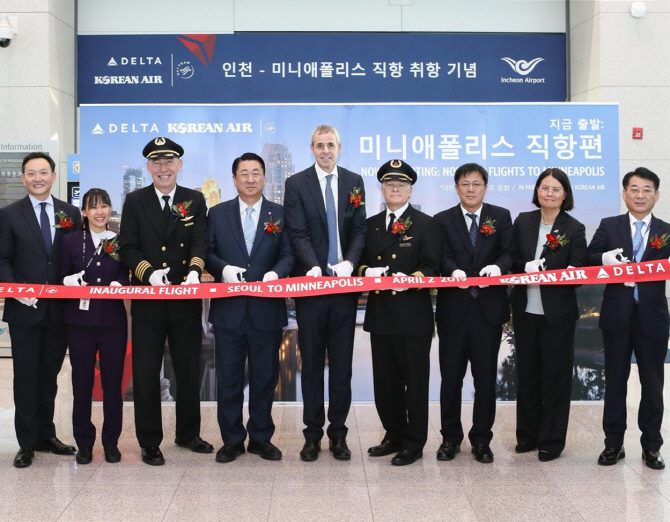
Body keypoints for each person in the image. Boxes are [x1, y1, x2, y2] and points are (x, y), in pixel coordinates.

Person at [119, 137, 213, 466]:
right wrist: (148, 274)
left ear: (179, 165)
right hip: (148, 303)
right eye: (157, 163)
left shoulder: (194, 199)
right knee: (146, 375)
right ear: (148, 167)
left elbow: (201, 241)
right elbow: (127, 247)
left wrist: (194, 271)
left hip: (185, 301)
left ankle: (188, 433)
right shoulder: (134, 201)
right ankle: (149, 441)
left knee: (188, 370)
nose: (163, 168)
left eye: (169, 161)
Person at [283, 124, 366, 461]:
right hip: (312, 288)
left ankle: (339, 435)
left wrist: (351, 262)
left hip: (344, 288)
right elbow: (298, 231)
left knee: (342, 367)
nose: (326, 151)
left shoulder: (353, 182)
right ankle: (313, 434)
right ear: (312, 149)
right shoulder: (296, 183)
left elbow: (359, 228)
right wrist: (313, 265)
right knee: (312, 364)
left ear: (339, 147)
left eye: (330, 145)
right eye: (320, 145)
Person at [206, 152, 294, 463]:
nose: (250, 179)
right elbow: (208, 251)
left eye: (256, 173)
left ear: (264, 178)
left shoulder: (279, 214)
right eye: (244, 173)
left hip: (265, 310)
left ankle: (260, 438)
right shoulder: (217, 214)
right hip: (228, 310)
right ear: (234, 179)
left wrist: (277, 273)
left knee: (264, 378)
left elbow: (289, 254)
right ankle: (231, 440)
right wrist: (222, 269)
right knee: (228, 379)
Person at [0, 152, 81, 468]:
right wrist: (17, 291)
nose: (38, 177)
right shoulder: (8, 215)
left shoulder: (70, 213)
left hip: (60, 310)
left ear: (53, 176)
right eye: (31, 173)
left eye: (43, 172)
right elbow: (2, 259)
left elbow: (74, 256)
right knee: (26, 376)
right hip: (24, 310)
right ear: (23, 178)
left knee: (50, 375)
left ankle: (46, 435)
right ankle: (26, 442)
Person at [359, 159, 440, 466]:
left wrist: (414, 279)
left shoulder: (425, 223)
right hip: (381, 315)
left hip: (413, 315)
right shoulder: (371, 224)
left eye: (401, 185)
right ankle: (393, 434)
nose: (395, 189)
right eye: (390, 185)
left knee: (415, 383)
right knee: (386, 383)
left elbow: (432, 266)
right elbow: (360, 263)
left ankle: (414, 442)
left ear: (410, 190)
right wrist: (370, 271)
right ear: (382, 189)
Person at [588, 167, 670, 470]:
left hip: (653, 317)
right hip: (616, 314)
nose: (640, 195)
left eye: (646, 189)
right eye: (634, 189)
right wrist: (604, 259)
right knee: (615, 383)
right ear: (624, 194)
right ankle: (613, 444)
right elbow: (589, 256)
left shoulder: (666, 230)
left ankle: (651, 446)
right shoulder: (610, 225)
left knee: (652, 384)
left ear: (656, 195)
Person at [434, 163, 513, 464]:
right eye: (465, 184)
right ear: (456, 187)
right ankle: (450, 438)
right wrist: (450, 268)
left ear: (485, 187)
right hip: (453, 311)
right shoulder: (442, 220)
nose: (470, 189)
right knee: (450, 379)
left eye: (476, 184)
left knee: (485, 380)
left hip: (487, 312)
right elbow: (440, 254)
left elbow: (509, 251)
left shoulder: (501, 216)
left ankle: (481, 439)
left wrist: (500, 267)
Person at [509, 168, 587, 462]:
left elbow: (578, 273)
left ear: (565, 194)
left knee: (555, 379)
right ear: (537, 191)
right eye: (544, 188)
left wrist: (553, 273)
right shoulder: (524, 221)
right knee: (527, 376)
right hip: (526, 311)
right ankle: (527, 436)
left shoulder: (574, 228)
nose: (549, 193)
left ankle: (551, 441)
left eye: (556, 189)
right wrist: (524, 267)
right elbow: (512, 259)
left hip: (558, 315)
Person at [60, 188, 129, 465]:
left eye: (104, 206)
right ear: (84, 212)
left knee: (113, 385)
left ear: (110, 209)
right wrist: (67, 281)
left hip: (113, 322)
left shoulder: (120, 241)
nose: (100, 212)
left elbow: (126, 274)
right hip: (79, 323)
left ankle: (111, 443)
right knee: (82, 384)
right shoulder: (71, 241)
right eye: (93, 207)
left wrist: (120, 284)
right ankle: (84, 443)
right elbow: (60, 275)